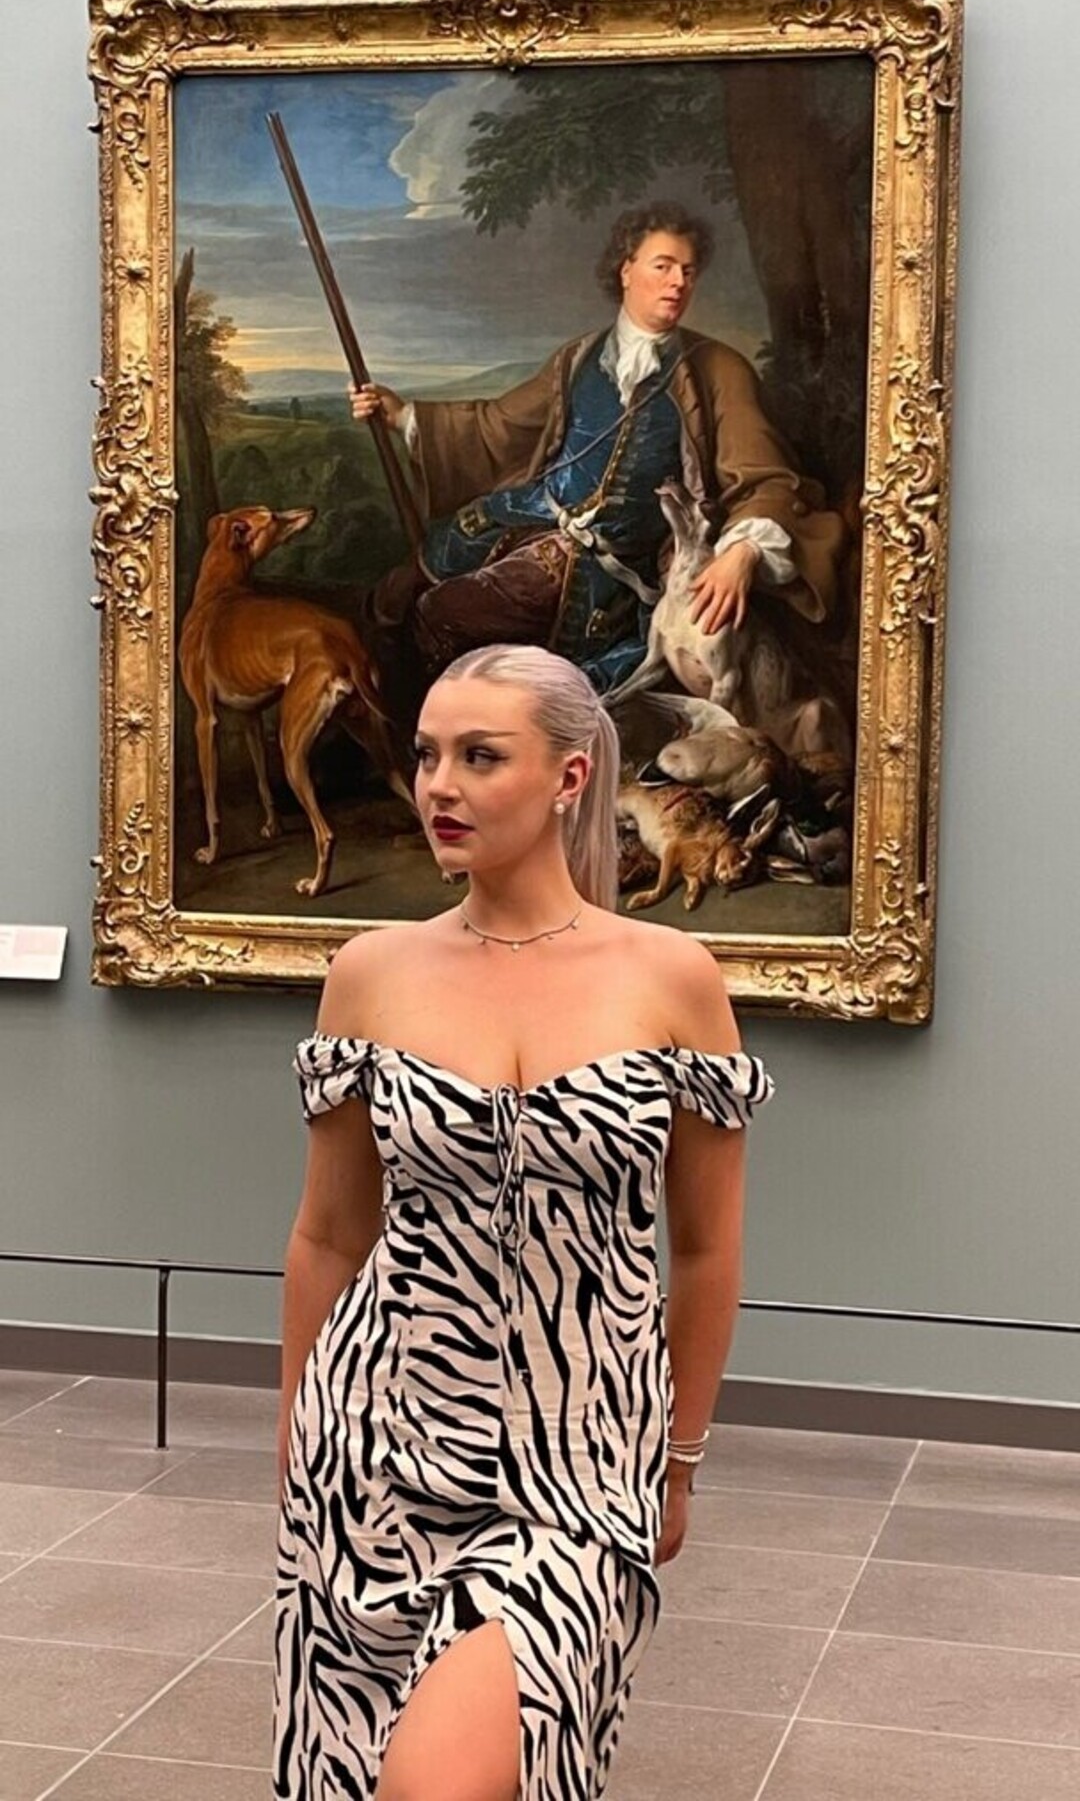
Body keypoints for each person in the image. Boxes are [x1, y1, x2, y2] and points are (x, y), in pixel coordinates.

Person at [274, 643, 774, 1801]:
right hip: (374, 1447)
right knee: (357, 1770)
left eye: (480, 756)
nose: (439, 785)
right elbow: (329, 1233)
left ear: (569, 776)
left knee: (435, 1781)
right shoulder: (370, 970)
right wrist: (296, 1433)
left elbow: (705, 1249)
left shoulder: (672, 976)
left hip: (579, 1459)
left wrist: (680, 1459)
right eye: (427, 755)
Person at [349, 200, 846, 744]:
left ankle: (444, 741)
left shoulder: (718, 370)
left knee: (443, 613)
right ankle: (389, 735)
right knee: (395, 593)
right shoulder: (579, 357)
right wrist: (403, 416)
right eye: (663, 265)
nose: (678, 282)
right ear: (626, 270)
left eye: (687, 270)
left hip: (605, 571)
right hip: (522, 517)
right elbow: (500, 426)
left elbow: (767, 478)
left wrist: (743, 553)